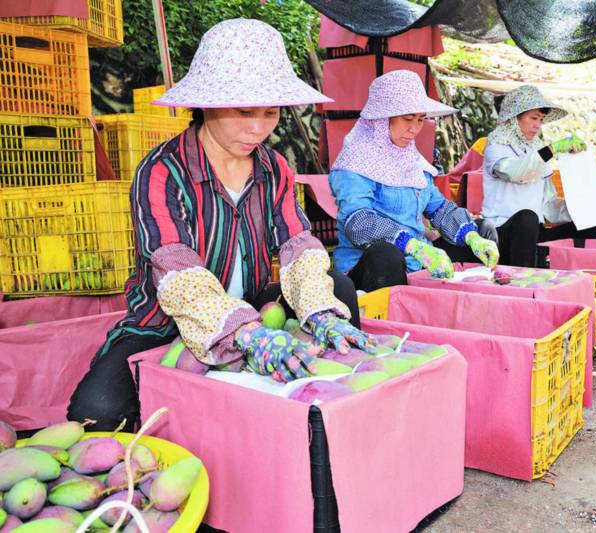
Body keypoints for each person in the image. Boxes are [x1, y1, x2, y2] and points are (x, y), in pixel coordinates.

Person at [68, 19, 374, 431]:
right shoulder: (161, 171)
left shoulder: (275, 168)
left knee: (338, 287)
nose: (258, 128)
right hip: (166, 319)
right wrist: (244, 332)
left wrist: (319, 312)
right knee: (97, 411)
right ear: (207, 103)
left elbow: (298, 244)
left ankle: (334, 415)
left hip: (255, 300)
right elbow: (176, 271)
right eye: (245, 111)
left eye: (270, 112)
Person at [329, 70, 499, 291]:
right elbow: (358, 222)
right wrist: (410, 244)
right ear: (382, 120)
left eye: (420, 120)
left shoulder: (413, 161)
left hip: (416, 264)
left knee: (482, 229)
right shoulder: (355, 162)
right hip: (371, 270)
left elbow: (439, 209)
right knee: (386, 254)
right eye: (407, 119)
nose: (414, 129)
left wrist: (471, 236)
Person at [481, 84, 596, 267]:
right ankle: (521, 283)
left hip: (534, 231)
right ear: (514, 118)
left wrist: (582, 208)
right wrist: (552, 149)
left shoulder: (536, 150)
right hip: (502, 232)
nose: (538, 125)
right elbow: (516, 172)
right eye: (533, 118)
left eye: (541, 119)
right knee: (527, 218)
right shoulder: (496, 148)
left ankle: (576, 277)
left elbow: (549, 206)